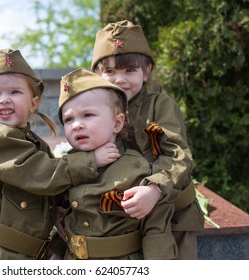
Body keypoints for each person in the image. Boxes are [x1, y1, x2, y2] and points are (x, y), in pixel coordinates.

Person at [0, 49, 120, 260]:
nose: (3, 99)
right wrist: (91, 160)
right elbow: (42, 175)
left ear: (34, 103)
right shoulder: (0, 138)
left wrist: (58, 208)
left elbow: (40, 191)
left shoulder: (29, 140)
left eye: (14, 92)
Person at [91, 20, 204, 259]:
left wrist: (154, 189)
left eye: (129, 70)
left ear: (146, 71)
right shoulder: (95, 111)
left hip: (173, 216)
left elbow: (177, 155)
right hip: (122, 221)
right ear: (96, 75)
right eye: (110, 71)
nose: (119, 79)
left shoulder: (160, 106)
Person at [55, 68, 177, 260]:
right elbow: (64, 216)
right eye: (68, 119)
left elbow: (156, 230)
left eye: (88, 115)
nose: (76, 124)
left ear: (117, 123)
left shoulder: (136, 168)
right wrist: (55, 251)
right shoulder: (65, 166)